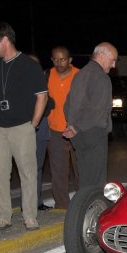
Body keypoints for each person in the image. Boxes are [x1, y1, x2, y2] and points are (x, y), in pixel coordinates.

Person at [0, 22, 48, 231]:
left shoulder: (29, 66)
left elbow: (42, 96)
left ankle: (30, 216)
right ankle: (3, 216)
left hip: (22, 127)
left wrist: (34, 124)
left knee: (27, 172)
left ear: (5, 39)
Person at [63, 43, 117, 189]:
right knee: (96, 182)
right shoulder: (101, 77)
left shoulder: (81, 73)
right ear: (101, 55)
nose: (113, 65)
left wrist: (72, 126)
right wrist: (76, 127)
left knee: (86, 178)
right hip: (94, 132)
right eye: (112, 60)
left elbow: (68, 104)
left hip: (79, 135)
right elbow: (98, 111)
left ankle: (85, 208)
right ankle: (94, 211)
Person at [45, 46, 79, 209]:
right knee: (58, 171)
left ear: (70, 60)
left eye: (63, 59)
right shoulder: (46, 76)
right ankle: (62, 204)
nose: (59, 63)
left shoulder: (80, 75)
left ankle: (82, 202)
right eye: (55, 59)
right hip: (55, 130)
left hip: (77, 130)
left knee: (80, 169)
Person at [27, 54, 53, 212]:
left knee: (36, 167)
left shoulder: (42, 81)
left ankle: (35, 202)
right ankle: (28, 203)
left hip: (39, 129)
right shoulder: (17, 82)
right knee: (26, 168)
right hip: (21, 129)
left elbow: (49, 103)